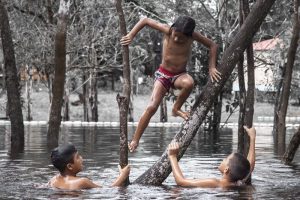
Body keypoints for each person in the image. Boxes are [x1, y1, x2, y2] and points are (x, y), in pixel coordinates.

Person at [121, 16, 221, 152]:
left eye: (181, 38)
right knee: (151, 107)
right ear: (172, 29)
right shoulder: (167, 30)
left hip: (179, 75)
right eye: (175, 35)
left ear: (189, 36)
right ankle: (135, 139)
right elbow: (145, 20)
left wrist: (212, 67)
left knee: (189, 82)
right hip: (163, 75)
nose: (176, 39)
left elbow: (213, 45)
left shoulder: (193, 36)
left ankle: (176, 109)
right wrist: (131, 35)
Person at [168, 126, 256, 188]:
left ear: (226, 170)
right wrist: (252, 138)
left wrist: (172, 156)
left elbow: (181, 182)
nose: (223, 159)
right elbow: (249, 167)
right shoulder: (239, 183)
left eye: (225, 159)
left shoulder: (214, 183)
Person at [48, 144, 130, 190]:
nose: (81, 158)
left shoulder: (53, 180)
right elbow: (109, 189)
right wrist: (122, 176)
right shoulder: (82, 182)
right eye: (77, 157)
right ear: (70, 166)